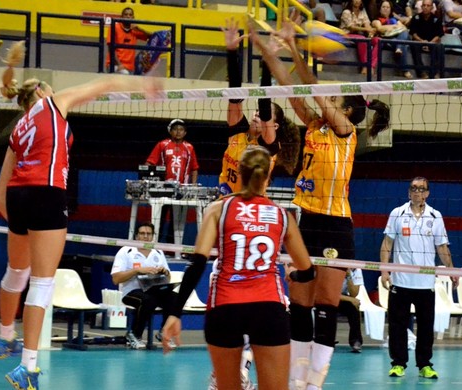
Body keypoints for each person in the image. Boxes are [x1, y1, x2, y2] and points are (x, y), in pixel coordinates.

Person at [0, 41, 161, 390]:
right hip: (46, 192)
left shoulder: (18, 128)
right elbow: (103, 86)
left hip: (17, 196)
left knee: (17, 271)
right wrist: (140, 84)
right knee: (41, 282)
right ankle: (28, 367)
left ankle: (4, 336)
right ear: (41, 90)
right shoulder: (53, 103)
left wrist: (19, 220)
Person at [250, 19, 391, 389]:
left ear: (346, 107)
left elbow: (312, 87)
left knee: (328, 304)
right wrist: (264, 48)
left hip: (336, 224)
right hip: (305, 219)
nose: (329, 97)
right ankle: (296, 380)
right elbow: (290, 84)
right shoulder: (314, 125)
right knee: (299, 303)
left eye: (335, 95)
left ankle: (315, 382)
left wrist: (297, 46)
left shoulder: (346, 131)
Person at [161, 146, 315, 390]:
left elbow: (197, 264)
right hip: (268, 307)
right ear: (267, 177)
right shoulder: (282, 215)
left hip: (225, 307)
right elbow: (309, 272)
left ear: (238, 173)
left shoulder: (218, 208)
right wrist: (293, 275)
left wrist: (174, 313)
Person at [380, 176, 458, 379]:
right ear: (409, 192)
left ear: (427, 193)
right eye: (413, 188)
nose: (417, 192)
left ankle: (425, 365)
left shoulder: (436, 216)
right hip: (401, 281)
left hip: (425, 283)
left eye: (421, 189)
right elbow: (387, 243)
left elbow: (442, 247)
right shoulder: (397, 213)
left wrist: (452, 271)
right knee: (397, 326)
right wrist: (385, 270)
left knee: (425, 326)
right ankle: (398, 364)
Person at [219, 18, 300, 196]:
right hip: (224, 202)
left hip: (251, 208)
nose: (257, 114)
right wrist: (232, 52)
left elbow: (264, 105)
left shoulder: (269, 146)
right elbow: (234, 96)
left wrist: (267, 62)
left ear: (274, 126)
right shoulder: (237, 134)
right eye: (255, 111)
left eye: (263, 114)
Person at [111, 222, 177, 350]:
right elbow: (116, 279)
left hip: (153, 290)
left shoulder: (158, 252)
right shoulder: (126, 251)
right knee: (148, 300)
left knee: (175, 298)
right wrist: (137, 270)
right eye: (142, 233)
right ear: (136, 236)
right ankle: (134, 335)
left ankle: (164, 332)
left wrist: (164, 272)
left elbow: (168, 278)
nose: (145, 236)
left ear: (153, 236)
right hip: (131, 292)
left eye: (148, 234)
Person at [146, 118, 199, 185]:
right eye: (175, 129)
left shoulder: (189, 148)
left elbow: (194, 169)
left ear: (185, 133)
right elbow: (149, 163)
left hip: (183, 187)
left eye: (181, 129)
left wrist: (194, 184)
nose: (178, 132)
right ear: (170, 131)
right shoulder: (162, 145)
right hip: (163, 186)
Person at [372, 0, 413, 78]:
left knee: (405, 33)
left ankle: (398, 47)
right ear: (380, 9)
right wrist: (395, 27)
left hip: (395, 39)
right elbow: (380, 28)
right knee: (402, 44)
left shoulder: (394, 19)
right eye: (383, 7)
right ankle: (405, 70)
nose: (385, 9)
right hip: (386, 39)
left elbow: (404, 28)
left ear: (390, 9)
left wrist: (391, 28)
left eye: (388, 7)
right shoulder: (376, 20)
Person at [340, 0, 380, 75]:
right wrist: (366, 29)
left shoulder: (362, 12)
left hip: (361, 35)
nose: (357, 1)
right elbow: (351, 27)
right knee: (362, 39)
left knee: (378, 41)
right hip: (347, 35)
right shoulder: (346, 12)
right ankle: (364, 66)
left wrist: (370, 32)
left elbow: (367, 24)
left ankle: (371, 66)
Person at [106, 7, 150, 74]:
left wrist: (139, 29)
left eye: (130, 15)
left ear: (133, 17)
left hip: (130, 67)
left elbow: (151, 36)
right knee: (125, 73)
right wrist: (119, 64)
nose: (128, 16)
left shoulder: (135, 30)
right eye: (126, 14)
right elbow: (111, 48)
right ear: (121, 17)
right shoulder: (114, 27)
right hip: (115, 65)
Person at [409, 0, 444, 79]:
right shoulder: (416, 18)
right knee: (414, 45)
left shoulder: (436, 19)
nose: (425, 7)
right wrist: (422, 41)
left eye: (428, 6)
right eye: (424, 5)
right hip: (419, 41)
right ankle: (422, 72)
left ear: (432, 7)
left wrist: (430, 43)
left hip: (432, 42)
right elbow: (413, 34)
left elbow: (438, 35)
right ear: (421, 7)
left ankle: (434, 73)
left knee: (439, 47)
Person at [338, 268, 364, 353]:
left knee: (354, 308)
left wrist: (348, 276)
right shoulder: (333, 266)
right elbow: (329, 293)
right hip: (327, 297)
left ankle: (356, 341)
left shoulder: (356, 270)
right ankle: (327, 339)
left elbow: (354, 293)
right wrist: (350, 299)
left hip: (343, 297)